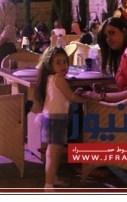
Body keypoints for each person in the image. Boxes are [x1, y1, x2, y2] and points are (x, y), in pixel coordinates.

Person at [33, 46, 87, 189]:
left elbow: (64, 96)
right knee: (53, 154)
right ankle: (48, 185)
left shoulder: (50, 78)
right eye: (58, 62)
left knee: (55, 153)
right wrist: (86, 99)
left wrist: (76, 94)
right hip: (55, 119)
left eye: (65, 61)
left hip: (51, 118)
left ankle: (53, 179)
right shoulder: (59, 78)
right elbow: (71, 97)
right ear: (49, 65)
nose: (63, 65)